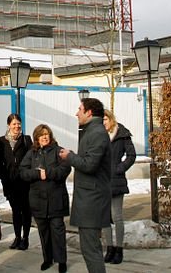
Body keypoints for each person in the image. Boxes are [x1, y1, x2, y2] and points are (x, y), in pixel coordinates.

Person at [59, 98, 111, 273]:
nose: (76, 113)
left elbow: (90, 165)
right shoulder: (92, 131)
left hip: (92, 200)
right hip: (89, 199)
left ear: (89, 112)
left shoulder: (96, 133)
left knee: (91, 250)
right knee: (89, 248)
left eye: (80, 109)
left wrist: (69, 156)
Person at [20, 124, 71, 273]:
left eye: (47, 134)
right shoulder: (32, 153)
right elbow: (22, 172)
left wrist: (47, 173)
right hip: (38, 200)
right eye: (41, 135)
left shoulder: (58, 150)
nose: (44, 137)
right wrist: (37, 174)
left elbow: (65, 169)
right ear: (36, 137)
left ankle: (61, 261)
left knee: (58, 231)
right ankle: (47, 259)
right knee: (44, 232)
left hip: (56, 200)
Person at [102, 109, 136, 265]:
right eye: (101, 121)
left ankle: (119, 249)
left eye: (105, 120)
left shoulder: (122, 134)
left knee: (117, 216)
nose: (104, 123)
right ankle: (109, 248)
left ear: (111, 119)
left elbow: (131, 155)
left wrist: (119, 168)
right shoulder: (99, 136)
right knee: (104, 218)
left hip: (116, 180)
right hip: (101, 181)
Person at [0, 113, 33, 250]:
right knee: (16, 211)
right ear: (9, 125)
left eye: (19, 123)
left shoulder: (26, 140)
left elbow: (32, 159)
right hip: (10, 183)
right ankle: (17, 237)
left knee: (26, 211)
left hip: (24, 182)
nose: (17, 126)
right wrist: (3, 178)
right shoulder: (2, 141)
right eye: (14, 124)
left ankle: (26, 238)